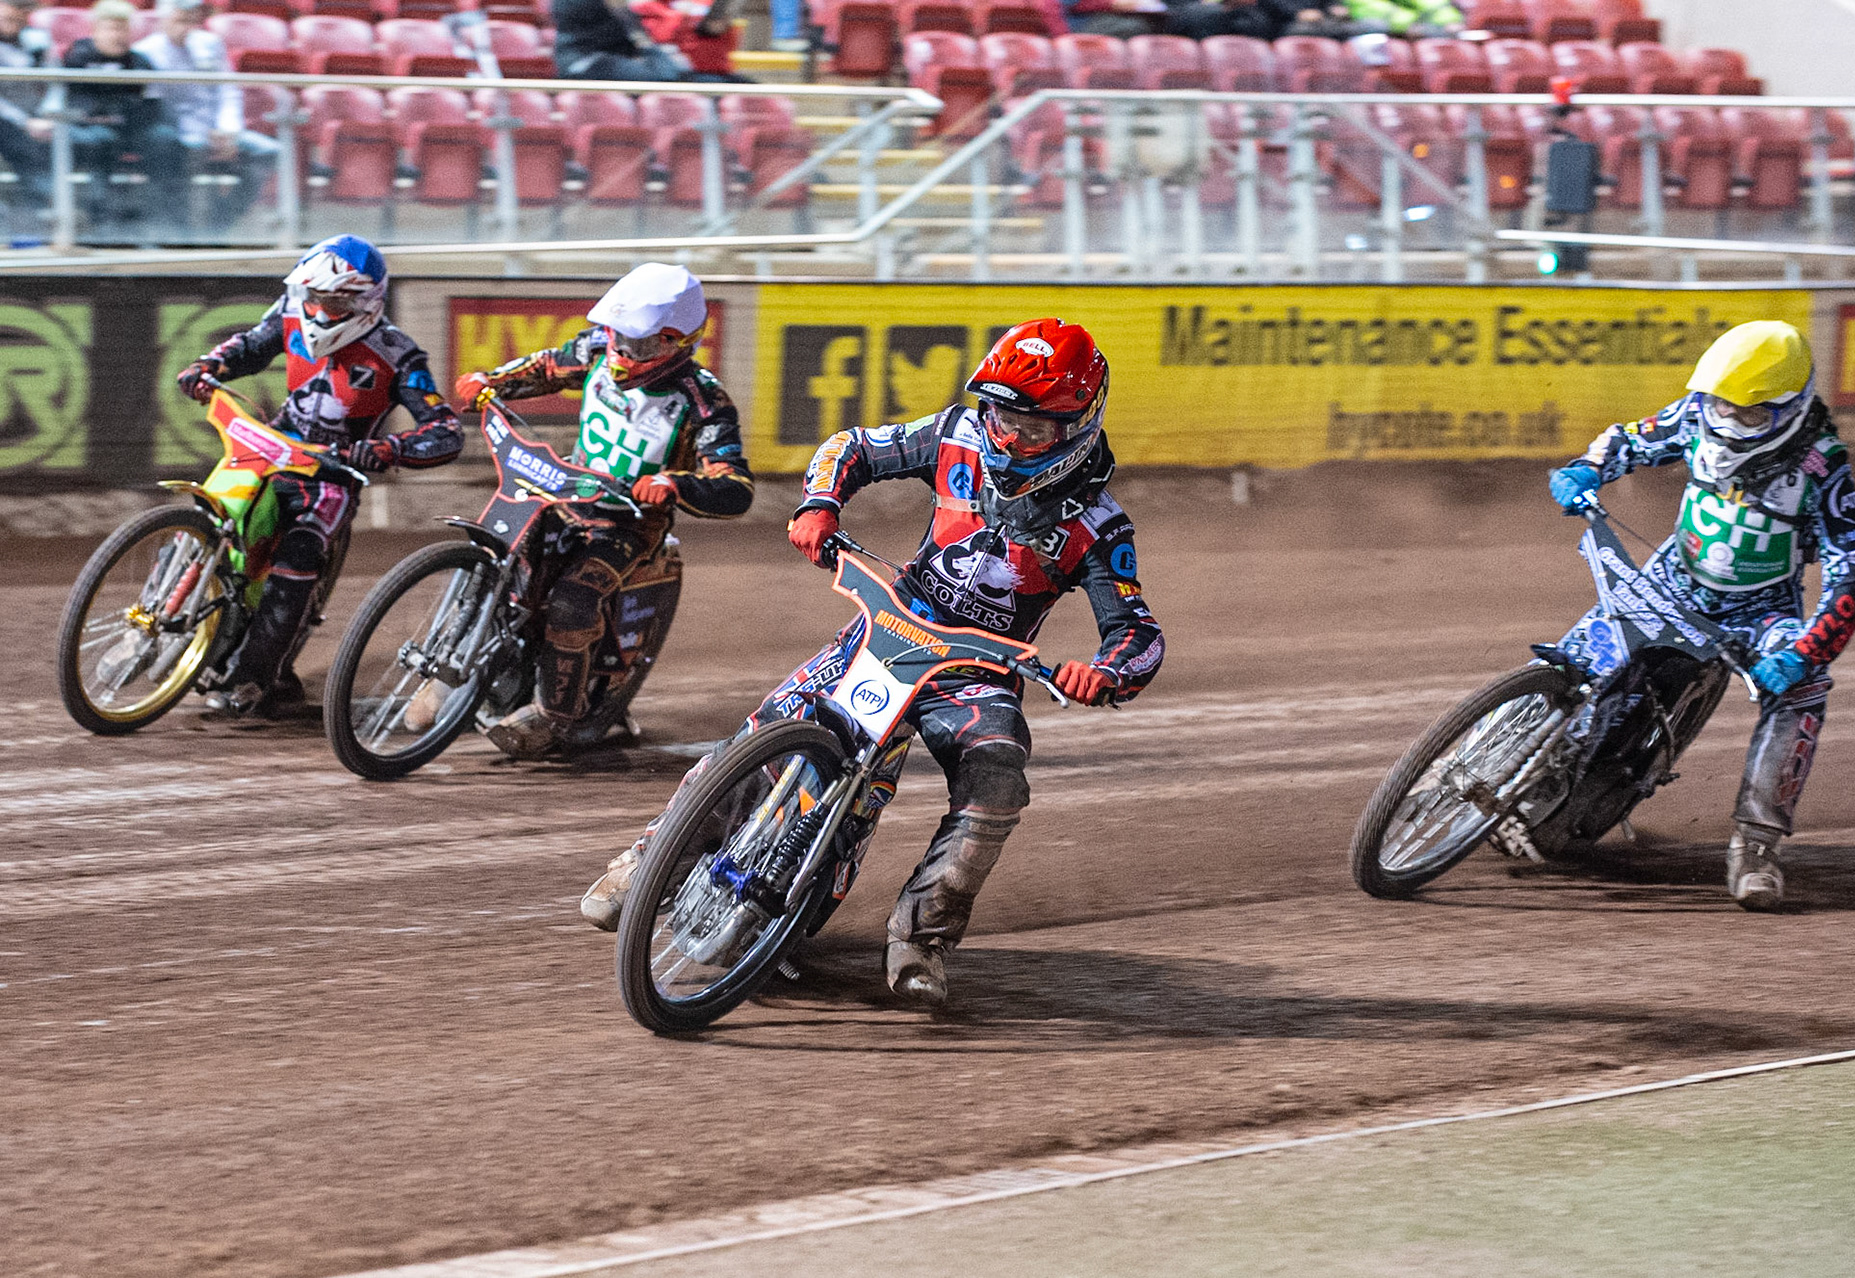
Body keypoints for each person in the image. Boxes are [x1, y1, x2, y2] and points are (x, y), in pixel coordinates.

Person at [579, 319, 1166, 1007]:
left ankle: (923, 935)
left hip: (975, 672)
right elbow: (850, 447)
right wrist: (820, 503)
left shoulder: (1098, 525)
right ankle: (646, 860)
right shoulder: (955, 434)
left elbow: (1137, 629)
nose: (1009, 437)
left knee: (998, 778)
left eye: (1033, 429)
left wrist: (1106, 671)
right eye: (1002, 416)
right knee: (765, 728)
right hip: (893, 620)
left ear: (1079, 427)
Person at [1547, 321, 1855, 912]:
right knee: (1584, 652)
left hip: (1762, 611)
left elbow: (1852, 569)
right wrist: (1587, 468)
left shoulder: (1823, 467)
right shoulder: (1697, 414)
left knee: (1806, 690)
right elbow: (1630, 439)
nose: (1727, 419)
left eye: (1747, 413)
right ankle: (1522, 742)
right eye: (1721, 403)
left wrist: (1805, 652)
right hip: (1674, 576)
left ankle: (1756, 846)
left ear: (1789, 406)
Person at [454, 262, 754, 758]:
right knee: (493, 554)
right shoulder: (596, 348)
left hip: (629, 524)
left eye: (639, 346)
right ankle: (455, 667)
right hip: (564, 490)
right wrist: (492, 381)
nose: (621, 354)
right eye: (619, 338)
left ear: (676, 343)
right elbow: (548, 366)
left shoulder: (704, 402)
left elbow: (735, 486)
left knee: (573, 600)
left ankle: (555, 716)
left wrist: (672, 483)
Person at [175, 235, 464, 716]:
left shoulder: (398, 354)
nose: (318, 309)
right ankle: (176, 607)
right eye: (313, 296)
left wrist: (387, 449)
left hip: (332, 478)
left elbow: (446, 431)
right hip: (271, 450)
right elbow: (250, 347)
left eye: (332, 300)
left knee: (297, 562)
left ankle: (254, 678)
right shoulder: (289, 312)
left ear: (365, 300)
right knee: (213, 516)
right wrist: (209, 366)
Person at [43, 0, 190, 235]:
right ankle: (100, 221)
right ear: (96, 30)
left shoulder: (139, 61)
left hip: (132, 128)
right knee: (100, 140)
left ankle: (162, 219)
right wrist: (102, 115)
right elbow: (71, 101)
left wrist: (127, 115)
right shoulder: (77, 58)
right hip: (89, 129)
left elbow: (153, 104)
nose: (118, 35)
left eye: (123, 28)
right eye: (111, 28)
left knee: (166, 138)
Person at [133, 0, 278, 235]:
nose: (188, 27)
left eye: (192, 20)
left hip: (221, 131)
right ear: (163, 20)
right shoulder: (145, 52)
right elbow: (158, 108)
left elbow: (228, 90)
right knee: (186, 150)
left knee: (268, 151)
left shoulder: (210, 44)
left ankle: (220, 222)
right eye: (181, 20)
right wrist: (204, 134)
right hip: (182, 133)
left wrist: (227, 130)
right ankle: (182, 232)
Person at [552, 0, 691, 82]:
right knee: (661, 76)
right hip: (584, 60)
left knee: (688, 73)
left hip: (614, 56)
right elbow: (632, 33)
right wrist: (655, 54)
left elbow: (632, 35)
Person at [0, 0, 53, 202]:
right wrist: (25, 121)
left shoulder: (36, 41)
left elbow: (56, 81)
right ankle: (42, 207)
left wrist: (47, 115)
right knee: (19, 142)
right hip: (9, 121)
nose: (14, 13)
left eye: (21, 8)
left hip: (38, 117)